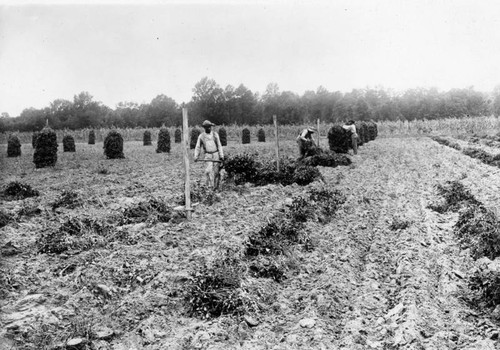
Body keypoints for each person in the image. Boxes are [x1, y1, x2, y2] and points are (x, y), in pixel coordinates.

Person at [194, 120, 224, 190]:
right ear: (204, 128)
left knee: (216, 172)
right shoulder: (201, 136)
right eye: (207, 127)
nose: (209, 128)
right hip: (208, 155)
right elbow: (198, 147)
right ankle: (209, 187)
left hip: (216, 154)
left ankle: (216, 187)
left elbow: (219, 145)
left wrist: (221, 155)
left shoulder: (215, 134)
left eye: (210, 127)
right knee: (208, 171)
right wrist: (196, 156)